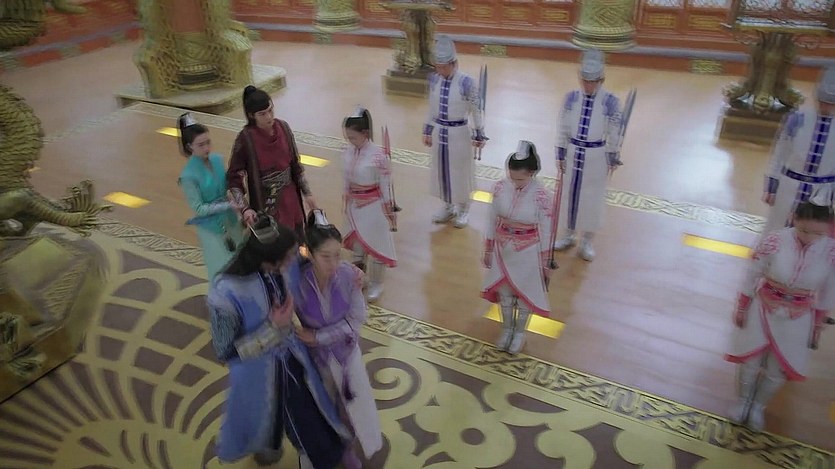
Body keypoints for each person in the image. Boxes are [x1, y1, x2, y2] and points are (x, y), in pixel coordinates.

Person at [208, 214, 349, 468]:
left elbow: (309, 259)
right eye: (287, 257)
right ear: (267, 260)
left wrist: (349, 272)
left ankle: (315, 457)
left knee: (306, 415)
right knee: (265, 415)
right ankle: (268, 447)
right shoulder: (226, 292)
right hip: (257, 372)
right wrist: (274, 328)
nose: (293, 260)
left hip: (292, 359)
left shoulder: (281, 263)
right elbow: (225, 351)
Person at [724, 191, 835, 433]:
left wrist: (818, 324)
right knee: (750, 360)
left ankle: (758, 406)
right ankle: (742, 402)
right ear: (794, 218)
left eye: (818, 233)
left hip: (799, 315)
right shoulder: (775, 240)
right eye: (804, 230)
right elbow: (752, 273)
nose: (810, 238)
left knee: (778, 368)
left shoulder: (830, 251)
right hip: (764, 305)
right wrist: (742, 305)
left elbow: (829, 291)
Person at [291, 209, 384, 469]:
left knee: (350, 408)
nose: (333, 263)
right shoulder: (299, 283)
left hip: (346, 356)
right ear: (309, 253)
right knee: (322, 408)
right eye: (325, 256)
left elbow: (357, 318)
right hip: (316, 361)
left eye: (337, 255)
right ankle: (322, 450)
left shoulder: (348, 276)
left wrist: (318, 336)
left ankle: (347, 449)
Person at [481, 141, 554, 355]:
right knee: (504, 293)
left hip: (528, 251)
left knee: (524, 295)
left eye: (520, 179)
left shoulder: (541, 196)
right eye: (512, 177)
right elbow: (491, 218)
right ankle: (506, 329)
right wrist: (488, 247)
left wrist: (545, 259)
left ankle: (519, 333)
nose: (515, 183)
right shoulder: (500, 188)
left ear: (532, 173)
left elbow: (547, 230)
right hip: (503, 249)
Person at [552, 49, 622, 261]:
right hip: (573, 153)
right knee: (569, 196)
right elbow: (563, 126)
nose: (588, 85)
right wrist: (561, 152)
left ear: (600, 80)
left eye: (592, 82)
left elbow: (615, 131)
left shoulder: (611, 102)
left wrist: (613, 154)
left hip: (596, 156)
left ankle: (587, 240)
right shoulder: (571, 98)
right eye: (585, 81)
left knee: (592, 198)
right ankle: (568, 235)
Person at [227, 85, 318, 239]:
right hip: (266, 204)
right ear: (251, 116)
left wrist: (307, 193)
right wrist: (245, 208)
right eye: (262, 114)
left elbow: (295, 165)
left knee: (298, 241)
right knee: (276, 246)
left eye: (270, 110)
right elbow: (233, 178)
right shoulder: (246, 139)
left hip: (291, 200)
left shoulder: (283, 128)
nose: (269, 117)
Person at [760, 66, 835, 235]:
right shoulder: (798, 119)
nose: (826, 107)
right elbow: (780, 153)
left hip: (822, 192)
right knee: (777, 228)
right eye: (823, 102)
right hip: (789, 186)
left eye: (831, 104)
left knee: (814, 236)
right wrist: (771, 185)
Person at [422, 35, 487, 229]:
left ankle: (464, 208)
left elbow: (476, 109)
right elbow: (431, 108)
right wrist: (427, 130)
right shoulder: (434, 80)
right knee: (442, 170)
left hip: (459, 133)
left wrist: (479, 132)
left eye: (444, 67)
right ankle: (448, 205)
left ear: (454, 64)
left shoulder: (467, 82)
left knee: (460, 171)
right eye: (438, 67)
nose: (440, 71)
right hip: (440, 132)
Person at [176, 112, 243, 280]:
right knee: (222, 269)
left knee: (240, 262)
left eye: (208, 142)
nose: (206, 148)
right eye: (201, 145)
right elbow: (199, 208)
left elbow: (228, 186)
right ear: (189, 146)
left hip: (231, 221)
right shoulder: (188, 176)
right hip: (212, 229)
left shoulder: (217, 160)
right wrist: (227, 205)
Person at [341, 106, 397, 302]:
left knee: (376, 245)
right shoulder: (347, 152)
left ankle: (377, 283)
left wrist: (389, 209)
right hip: (355, 207)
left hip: (374, 208)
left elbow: (385, 185)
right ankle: (359, 278)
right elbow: (345, 179)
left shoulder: (379, 156)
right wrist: (346, 198)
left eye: (353, 137)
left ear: (365, 134)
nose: (350, 141)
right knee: (358, 246)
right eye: (348, 137)